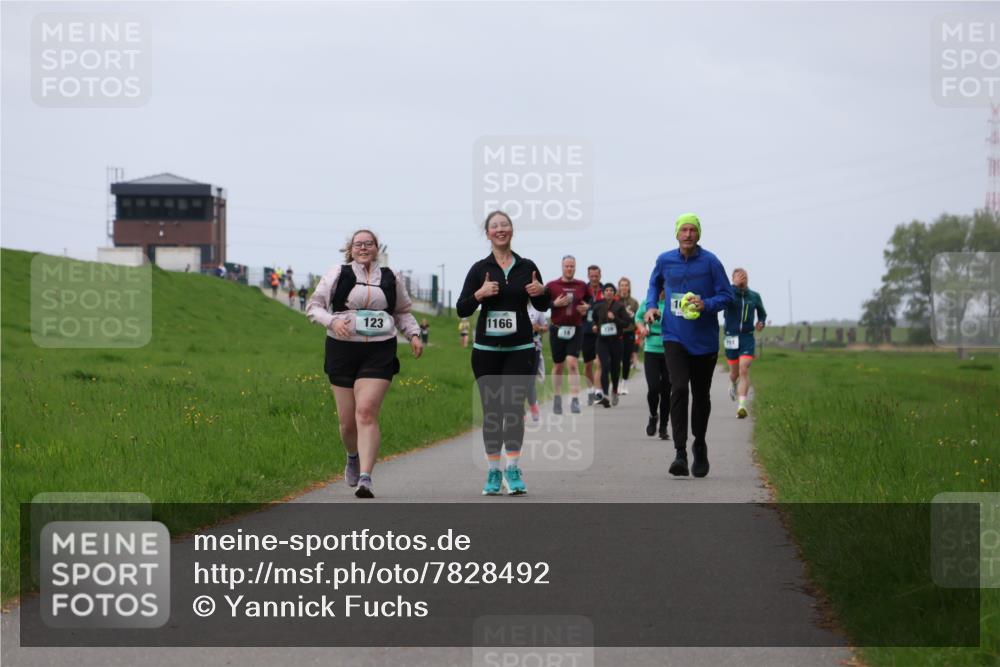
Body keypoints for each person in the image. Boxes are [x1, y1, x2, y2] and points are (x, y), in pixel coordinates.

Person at [306, 229, 424, 498]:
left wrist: (414, 334)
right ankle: (352, 456)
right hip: (342, 349)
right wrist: (333, 321)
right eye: (358, 244)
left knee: (367, 411)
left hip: (380, 350)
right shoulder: (338, 273)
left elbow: (402, 311)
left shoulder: (392, 277)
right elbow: (314, 306)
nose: (363, 248)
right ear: (351, 248)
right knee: (347, 423)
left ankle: (366, 478)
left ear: (376, 247)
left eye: (368, 243)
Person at [457, 210, 551, 496]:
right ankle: (493, 472)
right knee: (493, 413)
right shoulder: (479, 269)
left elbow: (545, 305)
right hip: (486, 350)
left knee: (513, 410)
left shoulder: (527, 265)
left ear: (512, 231)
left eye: (505, 225)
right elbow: (462, 308)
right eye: (495, 226)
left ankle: (512, 468)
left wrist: (540, 291)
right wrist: (479, 294)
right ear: (487, 234)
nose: (500, 229)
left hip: (520, 348)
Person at [645, 213, 732, 478]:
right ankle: (680, 452)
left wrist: (707, 304)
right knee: (679, 388)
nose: (688, 234)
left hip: (704, 340)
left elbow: (726, 296)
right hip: (674, 336)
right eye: (684, 230)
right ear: (676, 234)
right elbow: (653, 284)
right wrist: (650, 307)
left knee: (701, 395)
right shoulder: (665, 260)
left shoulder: (711, 262)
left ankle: (700, 443)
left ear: (699, 234)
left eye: (693, 230)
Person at [544, 255, 590, 414]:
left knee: (572, 363)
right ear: (562, 267)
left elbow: (590, 302)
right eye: (567, 266)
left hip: (576, 328)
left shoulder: (582, 285)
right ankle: (557, 398)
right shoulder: (552, 285)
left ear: (575, 267)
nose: (569, 269)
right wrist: (554, 304)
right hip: (557, 328)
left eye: (572, 266)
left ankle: (574, 399)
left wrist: (587, 307)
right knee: (558, 365)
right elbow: (542, 304)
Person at [723, 268, 767, 419]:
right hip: (731, 336)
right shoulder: (728, 293)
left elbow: (762, 313)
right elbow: (722, 296)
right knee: (734, 373)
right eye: (739, 276)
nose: (743, 278)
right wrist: (733, 286)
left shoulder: (754, 296)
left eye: (745, 276)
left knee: (744, 369)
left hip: (747, 337)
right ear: (733, 279)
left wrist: (761, 322)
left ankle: (741, 406)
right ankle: (733, 383)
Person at [636, 291, 671, 439]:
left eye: (665, 286)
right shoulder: (648, 303)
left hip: (670, 350)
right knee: (653, 387)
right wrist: (642, 328)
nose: (662, 291)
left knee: (666, 391)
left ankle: (663, 426)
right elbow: (638, 317)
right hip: (651, 349)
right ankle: (653, 415)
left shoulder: (672, 303)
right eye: (660, 287)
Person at [591, 283, 632, 407]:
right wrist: (594, 326)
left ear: (614, 293)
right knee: (604, 365)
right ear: (603, 293)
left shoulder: (620, 307)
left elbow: (626, 323)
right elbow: (594, 319)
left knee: (615, 368)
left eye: (611, 290)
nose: (608, 292)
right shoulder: (597, 306)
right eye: (606, 290)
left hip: (616, 341)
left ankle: (614, 390)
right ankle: (605, 395)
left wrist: (614, 318)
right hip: (602, 341)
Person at [581, 265, 604, 405]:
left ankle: (598, 391)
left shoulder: (605, 290)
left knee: (599, 362)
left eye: (596, 276)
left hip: (601, 332)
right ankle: (590, 390)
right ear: (588, 276)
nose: (594, 278)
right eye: (592, 276)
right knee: (588, 364)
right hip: (586, 331)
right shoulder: (583, 291)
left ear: (600, 276)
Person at [526, 303, 548, 422]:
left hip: (534, 348)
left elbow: (545, 327)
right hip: (516, 349)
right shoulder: (513, 306)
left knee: (530, 381)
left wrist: (538, 328)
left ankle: (533, 406)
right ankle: (519, 410)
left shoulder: (537, 310)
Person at [617, 277, 639, 396]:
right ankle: (617, 382)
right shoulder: (615, 300)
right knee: (616, 360)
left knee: (626, 359)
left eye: (626, 285)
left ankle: (624, 383)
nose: (624, 287)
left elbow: (638, 318)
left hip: (629, 333)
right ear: (619, 287)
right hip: (616, 333)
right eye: (622, 285)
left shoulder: (634, 302)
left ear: (629, 287)